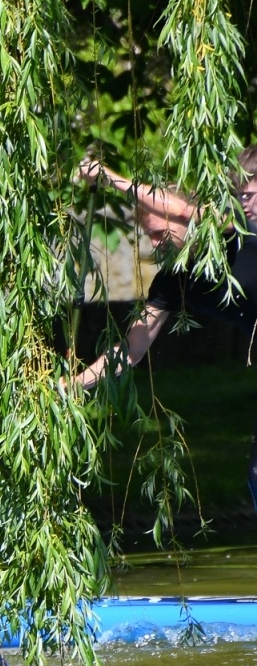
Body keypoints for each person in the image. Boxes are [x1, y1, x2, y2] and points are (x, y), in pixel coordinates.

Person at [73, 146, 257, 507]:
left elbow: (189, 210)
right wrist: (75, 384)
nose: (154, 245)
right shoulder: (175, 281)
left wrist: (109, 178)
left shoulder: (231, 231)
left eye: (158, 232)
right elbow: (131, 350)